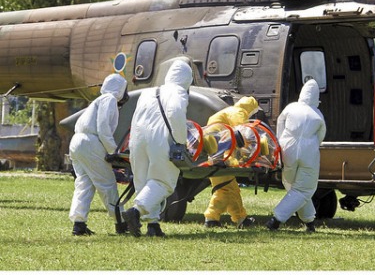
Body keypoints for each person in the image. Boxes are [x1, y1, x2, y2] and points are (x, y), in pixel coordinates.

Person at [123, 59, 193, 237]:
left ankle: (153, 226)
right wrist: (180, 141)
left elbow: (136, 116)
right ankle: (136, 211)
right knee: (163, 182)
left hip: (138, 139)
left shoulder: (148, 92)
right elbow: (175, 113)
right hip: (161, 141)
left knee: (144, 181)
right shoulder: (178, 92)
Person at [68, 73, 129, 236]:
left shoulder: (98, 101)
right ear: (119, 88)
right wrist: (113, 151)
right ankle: (121, 223)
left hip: (77, 142)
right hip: (91, 142)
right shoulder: (109, 99)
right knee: (107, 184)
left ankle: (78, 224)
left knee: (84, 184)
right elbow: (103, 128)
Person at [266, 79, 326, 232]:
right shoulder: (318, 115)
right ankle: (276, 219)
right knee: (304, 189)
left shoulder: (291, 107)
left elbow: (280, 123)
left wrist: (281, 142)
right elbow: (321, 136)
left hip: (288, 149)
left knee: (293, 186)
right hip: (309, 152)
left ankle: (309, 222)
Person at [203, 96, 259, 229]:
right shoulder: (239, 113)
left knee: (231, 188)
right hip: (220, 155)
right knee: (226, 189)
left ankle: (241, 218)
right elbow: (243, 133)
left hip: (216, 153)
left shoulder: (229, 111)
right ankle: (211, 218)